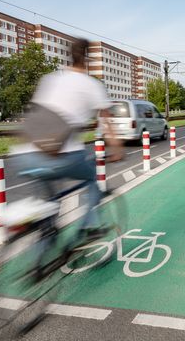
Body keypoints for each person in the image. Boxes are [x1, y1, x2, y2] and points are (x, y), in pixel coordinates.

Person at [16, 38, 123, 241]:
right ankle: (90, 227)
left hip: (26, 153)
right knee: (92, 178)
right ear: (88, 58)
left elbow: (37, 113)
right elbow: (106, 122)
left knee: (48, 206)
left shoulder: (50, 79)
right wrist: (117, 148)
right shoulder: (91, 84)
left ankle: (40, 262)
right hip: (62, 154)